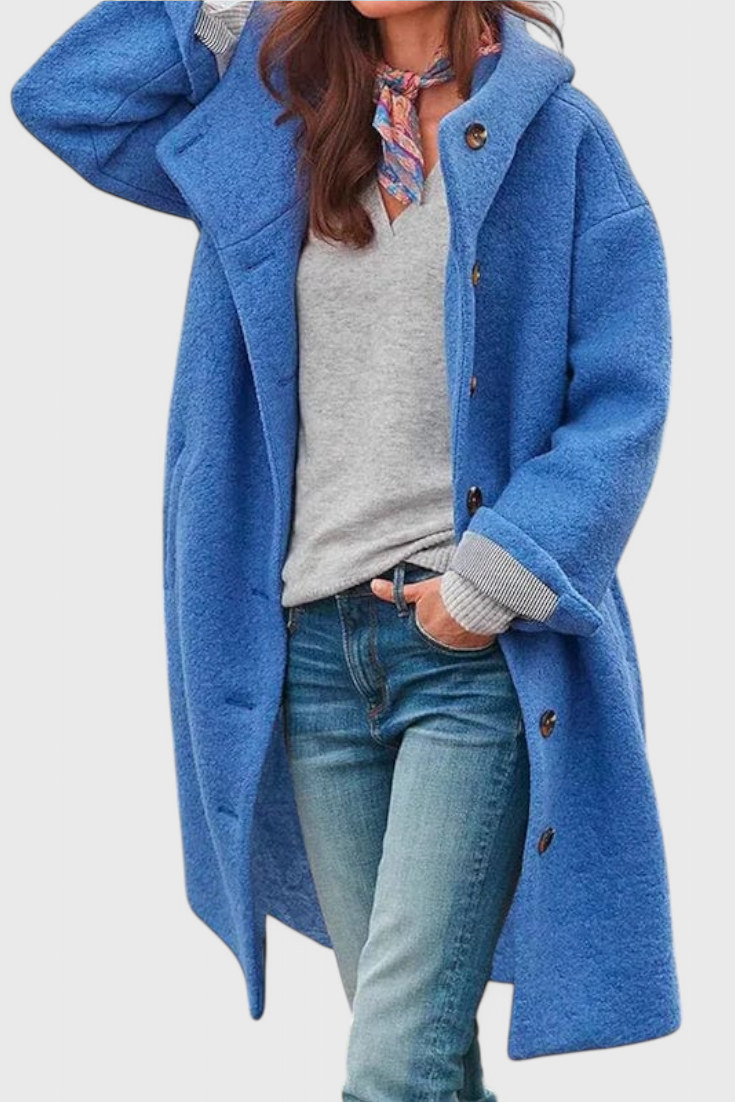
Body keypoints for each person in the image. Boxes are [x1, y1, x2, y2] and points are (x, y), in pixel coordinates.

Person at [11, 3, 682, 1099]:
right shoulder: (283, 123)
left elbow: (622, 398)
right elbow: (66, 100)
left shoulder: (557, 141)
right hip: (312, 658)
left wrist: (489, 584)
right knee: (418, 1052)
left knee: (390, 1063)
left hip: (469, 652)